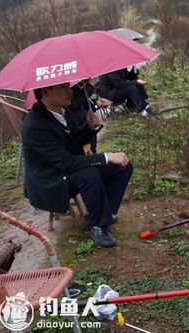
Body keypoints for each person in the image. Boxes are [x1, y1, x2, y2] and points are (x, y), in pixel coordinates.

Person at [22, 82, 133, 247]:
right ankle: (98, 226)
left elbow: (75, 143)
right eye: (64, 88)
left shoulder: (61, 112)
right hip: (51, 181)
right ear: (46, 91)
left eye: (69, 86)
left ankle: (104, 214)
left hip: (65, 172)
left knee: (123, 166)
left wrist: (89, 128)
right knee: (89, 175)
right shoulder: (35, 125)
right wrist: (106, 157)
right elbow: (66, 162)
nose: (70, 91)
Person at [70, 78, 112, 153]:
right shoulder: (69, 82)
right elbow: (74, 104)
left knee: (92, 147)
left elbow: (87, 92)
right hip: (76, 120)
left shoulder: (82, 77)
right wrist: (90, 85)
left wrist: (97, 100)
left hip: (87, 116)